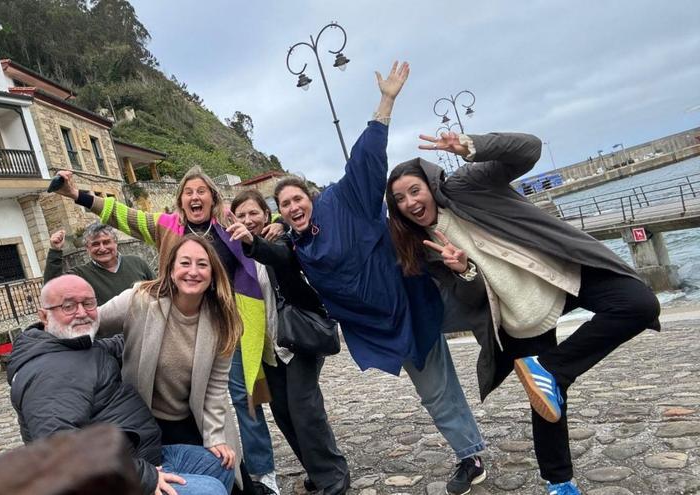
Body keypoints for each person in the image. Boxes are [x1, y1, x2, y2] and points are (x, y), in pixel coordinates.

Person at [384, 131, 661, 495]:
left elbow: (528, 150)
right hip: (517, 313)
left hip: (559, 273)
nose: (410, 202)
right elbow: (469, 300)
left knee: (639, 304)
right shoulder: (422, 247)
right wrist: (462, 270)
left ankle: (552, 369)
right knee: (545, 397)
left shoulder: (467, 185)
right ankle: (559, 481)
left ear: (429, 185)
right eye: (400, 199)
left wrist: (472, 146)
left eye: (414, 190)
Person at [272, 61, 488, 495]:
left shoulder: (341, 201)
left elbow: (366, 159)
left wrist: (386, 101)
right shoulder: (296, 245)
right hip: (377, 328)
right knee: (435, 387)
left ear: (309, 197)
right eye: (285, 205)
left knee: (444, 380)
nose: (293, 207)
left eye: (297, 198)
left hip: (413, 304)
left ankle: (471, 454)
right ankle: (473, 446)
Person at [49, 167, 283, 494]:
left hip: (231, 325)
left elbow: (264, 234)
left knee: (247, 399)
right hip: (174, 327)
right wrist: (79, 196)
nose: (195, 196)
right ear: (181, 199)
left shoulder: (230, 227)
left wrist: (278, 225)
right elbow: (124, 216)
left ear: (213, 198)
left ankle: (263, 470)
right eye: (189, 191)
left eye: (202, 190)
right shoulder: (165, 230)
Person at [7, 274, 232, 495]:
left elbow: (118, 345)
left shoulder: (73, 347)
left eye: (88, 303)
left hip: (140, 457)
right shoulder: (48, 373)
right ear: (44, 316)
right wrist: (144, 477)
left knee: (217, 463)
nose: (82, 313)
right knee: (210, 490)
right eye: (68, 306)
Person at [226, 189, 350, 495]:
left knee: (305, 409)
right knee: (283, 413)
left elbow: (279, 255)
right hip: (268, 349)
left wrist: (256, 240)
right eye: (240, 215)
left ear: (266, 216)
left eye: (253, 213)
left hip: (299, 340)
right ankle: (315, 466)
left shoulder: (280, 240)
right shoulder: (233, 259)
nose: (247, 220)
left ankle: (333, 475)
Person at [98, 235, 244, 492]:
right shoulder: (140, 299)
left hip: (191, 417)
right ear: (171, 269)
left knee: (228, 471)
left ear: (213, 273)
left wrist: (215, 436)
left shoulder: (223, 319)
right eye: (185, 263)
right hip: (141, 423)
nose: (193, 271)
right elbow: (91, 321)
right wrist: (43, 339)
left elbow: (215, 387)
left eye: (202, 264)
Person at [42, 222, 155, 310]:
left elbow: (160, 290)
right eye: (95, 244)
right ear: (87, 248)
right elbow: (51, 288)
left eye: (106, 242)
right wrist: (55, 251)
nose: (102, 248)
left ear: (115, 243)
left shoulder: (137, 263)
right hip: (109, 339)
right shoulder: (81, 275)